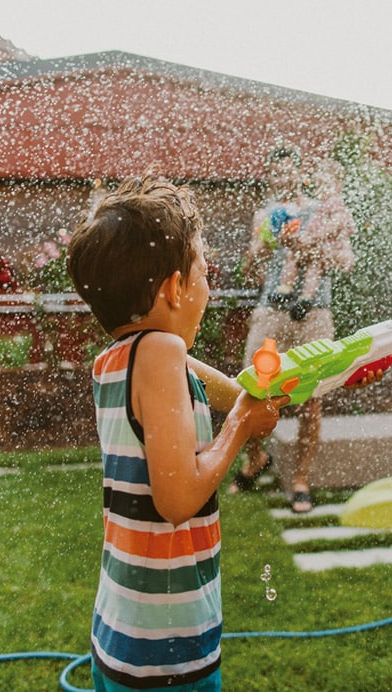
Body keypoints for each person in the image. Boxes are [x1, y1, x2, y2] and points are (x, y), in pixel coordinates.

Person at [67, 176, 287, 690]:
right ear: (173, 288)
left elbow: (241, 397)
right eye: (204, 270)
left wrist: (326, 374)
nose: (209, 282)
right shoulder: (161, 355)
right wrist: (240, 430)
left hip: (125, 629)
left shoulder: (119, 359)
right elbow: (177, 498)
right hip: (164, 652)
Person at [229, 147, 356, 513]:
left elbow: (345, 262)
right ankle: (255, 459)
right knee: (252, 389)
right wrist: (261, 249)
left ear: (301, 174)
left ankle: (300, 478)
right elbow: (252, 273)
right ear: (270, 177)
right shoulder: (265, 215)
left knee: (311, 399)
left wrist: (309, 246)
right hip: (272, 310)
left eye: (289, 171)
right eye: (276, 173)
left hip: (314, 313)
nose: (282, 178)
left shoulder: (324, 210)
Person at [276, 158, 356, 302]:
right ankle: (288, 289)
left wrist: (315, 237)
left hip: (325, 244)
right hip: (315, 242)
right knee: (294, 256)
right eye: (318, 186)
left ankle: (305, 295)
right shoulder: (320, 205)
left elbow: (336, 223)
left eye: (325, 185)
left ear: (339, 185)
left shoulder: (335, 203)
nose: (321, 190)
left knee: (314, 265)